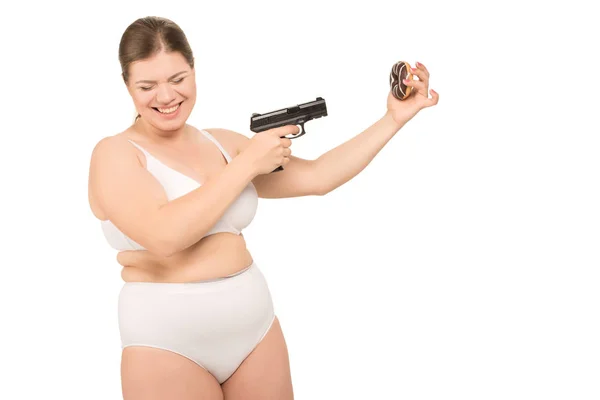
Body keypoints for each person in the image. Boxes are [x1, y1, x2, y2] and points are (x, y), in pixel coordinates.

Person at [87, 15, 439, 400]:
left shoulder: (219, 142)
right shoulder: (114, 153)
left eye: (178, 79)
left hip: (254, 335)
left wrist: (394, 119)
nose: (167, 96)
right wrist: (246, 165)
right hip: (166, 342)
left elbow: (318, 176)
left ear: (194, 71)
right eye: (147, 85)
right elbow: (163, 235)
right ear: (126, 86)